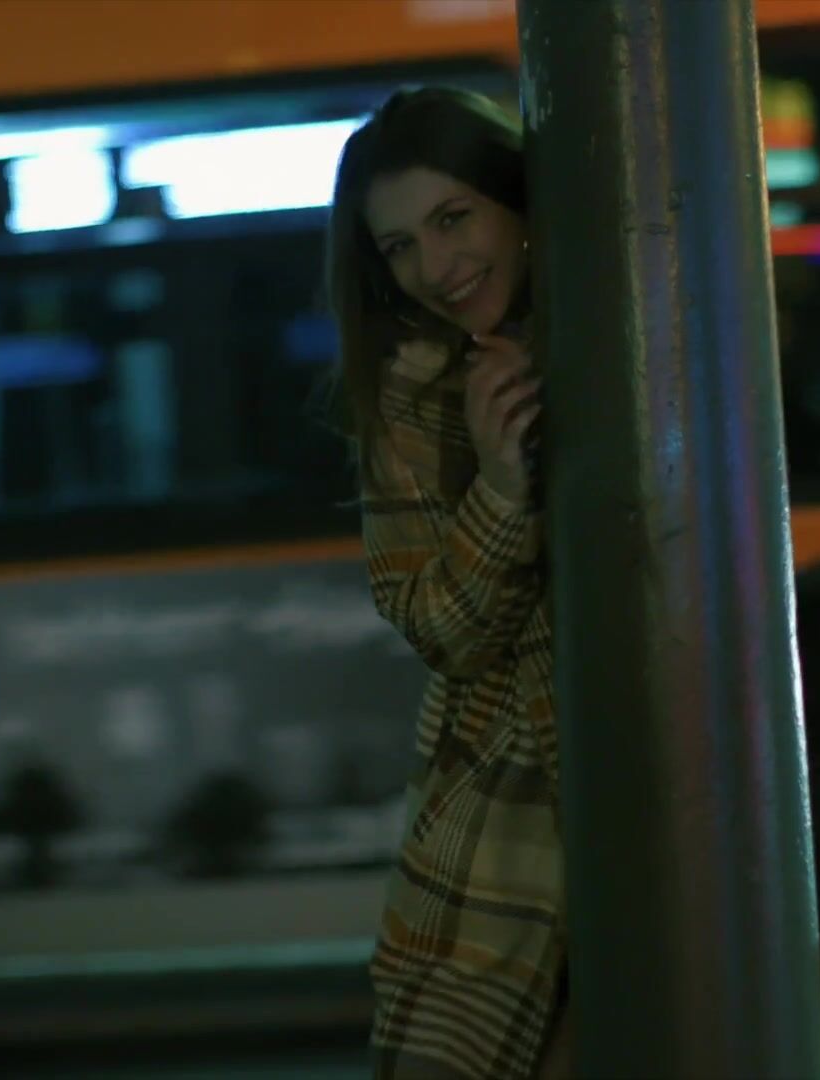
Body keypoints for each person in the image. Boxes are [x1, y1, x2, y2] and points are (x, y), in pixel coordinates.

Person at [325, 87, 569, 1080]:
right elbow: (437, 630)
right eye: (400, 246)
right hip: (500, 815)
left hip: (646, 794)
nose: (435, 267)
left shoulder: (617, 331)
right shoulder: (413, 393)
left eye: (454, 218)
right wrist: (501, 488)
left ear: (515, 202)